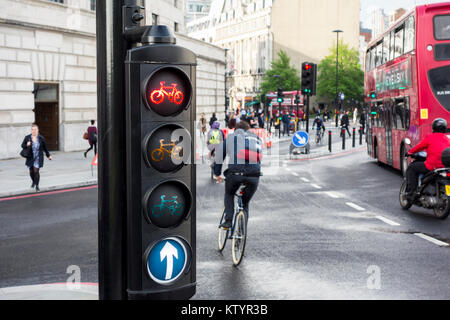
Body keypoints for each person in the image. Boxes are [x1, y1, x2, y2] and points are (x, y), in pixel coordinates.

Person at [213, 121, 262, 229]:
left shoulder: (231, 137)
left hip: (235, 173)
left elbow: (219, 156)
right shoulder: (256, 138)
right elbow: (259, 158)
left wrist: (217, 174)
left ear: (235, 129)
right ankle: (242, 230)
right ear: (248, 129)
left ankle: (228, 221)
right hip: (254, 175)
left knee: (229, 193)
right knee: (245, 203)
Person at [406, 118, 450, 201]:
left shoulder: (430, 137)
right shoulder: (447, 139)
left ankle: (411, 193)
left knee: (412, 168)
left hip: (431, 166)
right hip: (445, 166)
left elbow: (419, 147)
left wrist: (409, 152)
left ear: (433, 128)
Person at [21, 123, 52, 192]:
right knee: (31, 171)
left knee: (36, 171)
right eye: (32, 129)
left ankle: (37, 185)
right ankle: (33, 181)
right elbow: (22, 145)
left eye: (35, 129)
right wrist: (26, 144)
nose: (33, 131)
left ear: (38, 130)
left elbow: (45, 148)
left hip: (38, 157)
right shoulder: (27, 137)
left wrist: (48, 155)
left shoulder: (41, 138)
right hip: (30, 157)